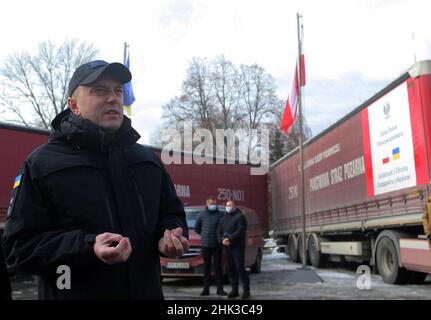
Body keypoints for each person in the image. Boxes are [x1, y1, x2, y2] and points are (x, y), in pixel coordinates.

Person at [2, 60, 189, 300]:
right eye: (99, 90)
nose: (113, 98)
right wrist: (88, 247)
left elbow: (172, 215)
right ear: (74, 105)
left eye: (117, 90)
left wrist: (169, 236)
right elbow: (19, 248)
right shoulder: (41, 164)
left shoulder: (147, 161)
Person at [194, 196, 227, 296]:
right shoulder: (202, 214)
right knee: (206, 267)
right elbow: (197, 228)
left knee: (218, 267)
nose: (212, 205)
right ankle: (206, 289)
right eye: (210, 203)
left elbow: (224, 228)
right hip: (205, 244)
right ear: (206, 204)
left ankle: (220, 289)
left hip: (217, 244)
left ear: (216, 203)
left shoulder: (221, 215)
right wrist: (204, 234)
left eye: (213, 203)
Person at [218, 200, 250, 299]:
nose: (228, 207)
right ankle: (234, 290)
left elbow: (241, 230)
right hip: (227, 248)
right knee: (231, 269)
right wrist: (222, 240)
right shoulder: (223, 219)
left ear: (235, 206)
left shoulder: (240, 217)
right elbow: (218, 232)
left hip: (238, 247)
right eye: (227, 205)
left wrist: (230, 238)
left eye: (230, 205)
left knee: (240, 268)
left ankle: (246, 290)